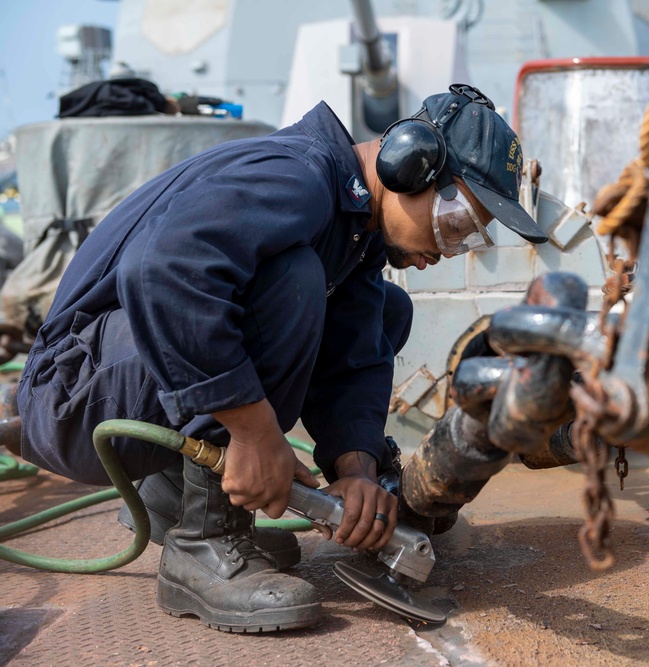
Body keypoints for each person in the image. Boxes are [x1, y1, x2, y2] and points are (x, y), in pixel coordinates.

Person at [12, 83, 548, 632]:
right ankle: (203, 543)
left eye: (467, 239)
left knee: (384, 308)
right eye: (453, 224)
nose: (445, 251)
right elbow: (162, 270)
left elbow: (356, 359)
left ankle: (176, 492)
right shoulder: (300, 175)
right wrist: (253, 434)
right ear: (408, 164)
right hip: (74, 396)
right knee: (292, 279)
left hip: (126, 381)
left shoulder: (354, 228)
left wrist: (356, 470)